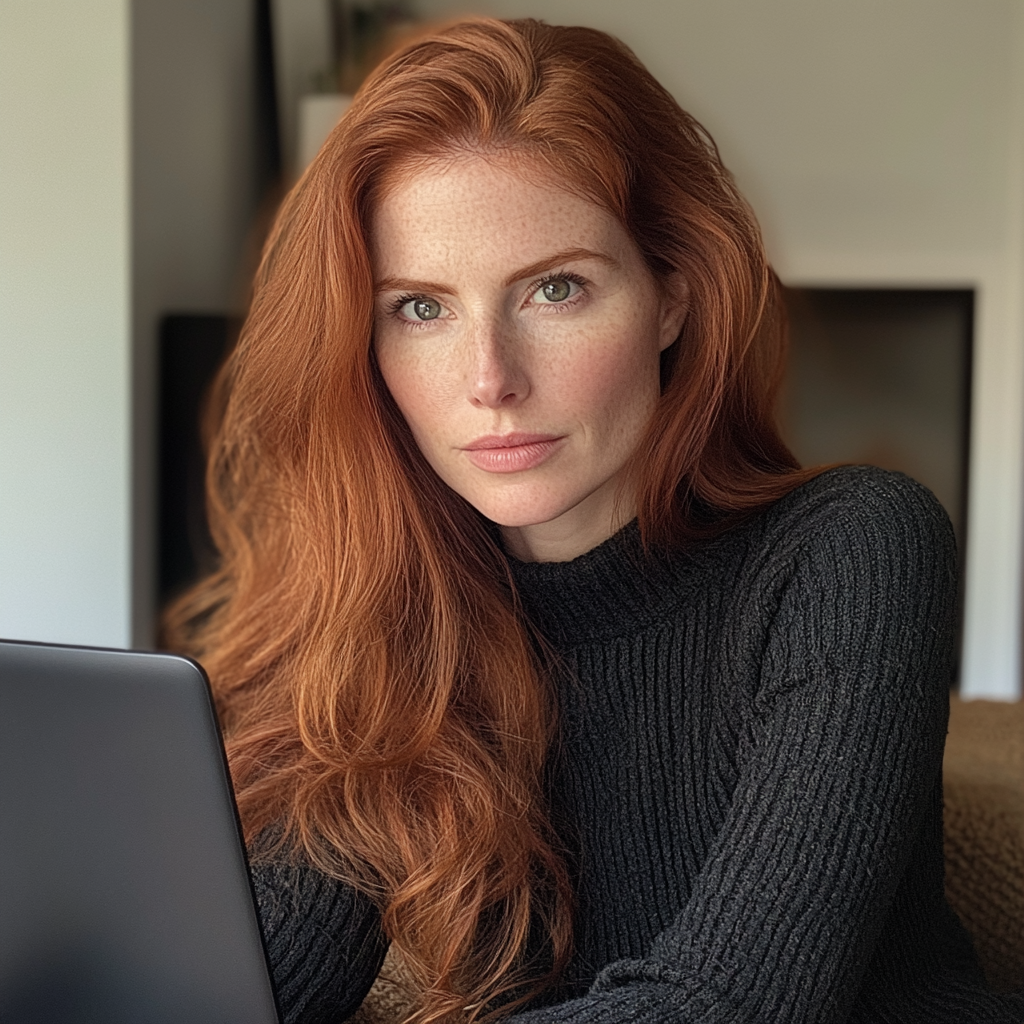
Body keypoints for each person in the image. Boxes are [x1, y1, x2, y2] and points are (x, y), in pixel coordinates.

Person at [163, 17, 1024, 1024]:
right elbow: (241, 991)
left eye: (555, 288)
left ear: (671, 296)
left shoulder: (852, 547)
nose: (489, 380)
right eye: (421, 308)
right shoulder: (403, 618)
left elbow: (723, 1006)